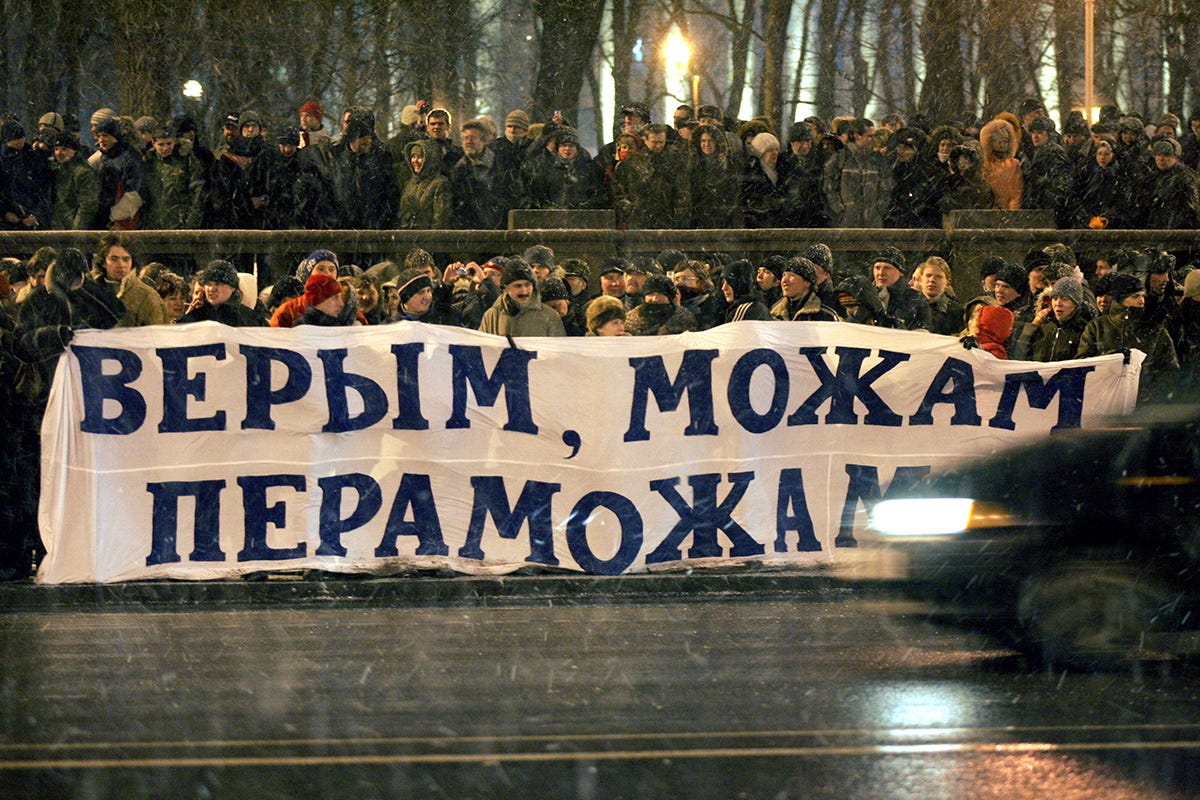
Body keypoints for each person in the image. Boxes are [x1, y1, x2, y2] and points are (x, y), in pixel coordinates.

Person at [1077, 272, 1179, 401]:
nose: (1142, 300)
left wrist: (1150, 397)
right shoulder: (1096, 327)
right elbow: (1082, 365)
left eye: (1143, 296)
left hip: (1144, 405)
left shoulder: (1155, 331)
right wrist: (1111, 360)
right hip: (1103, 402)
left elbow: (1170, 371)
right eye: (1135, 296)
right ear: (1120, 299)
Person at [822, 117, 892, 227]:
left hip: (871, 223)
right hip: (847, 223)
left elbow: (886, 188)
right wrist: (840, 211)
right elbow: (829, 188)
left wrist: (879, 210)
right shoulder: (840, 158)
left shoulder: (877, 159)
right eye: (869, 136)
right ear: (857, 136)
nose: (873, 140)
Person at [478, 259, 566, 336]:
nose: (524, 290)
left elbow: (557, 347)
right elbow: (482, 345)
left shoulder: (550, 316)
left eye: (527, 285)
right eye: (518, 286)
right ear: (505, 288)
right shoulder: (491, 316)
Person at [177, 260, 266, 326]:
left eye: (218, 284)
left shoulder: (251, 319)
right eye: (208, 284)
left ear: (232, 288)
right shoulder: (193, 318)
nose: (211, 289)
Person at [1024, 277, 1093, 362]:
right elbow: (1024, 355)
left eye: (1065, 299)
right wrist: (1033, 326)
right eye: (1055, 298)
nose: (1058, 303)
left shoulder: (1085, 331)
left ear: (1076, 303)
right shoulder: (1044, 329)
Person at [50, 132, 99, 230]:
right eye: (56, 149)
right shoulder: (57, 171)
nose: (59, 153)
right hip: (59, 227)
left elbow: (87, 206)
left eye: (64, 149)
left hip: (72, 229)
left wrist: (76, 231)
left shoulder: (84, 173)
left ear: (74, 150)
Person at [769, 257, 840, 322]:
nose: (784, 280)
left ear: (807, 282)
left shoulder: (826, 316)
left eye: (792, 275)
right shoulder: (773, 314)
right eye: (784, 275)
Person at [625, 274, 696, 335]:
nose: (655, 299)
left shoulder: (683, 319)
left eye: (660, 294)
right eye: (651, 294)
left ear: (669, 298)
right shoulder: (631, 321)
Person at [979, 118, 1023, 210]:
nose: (1001, 144)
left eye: (1005, 141)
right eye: (997, 141)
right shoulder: (985, 164)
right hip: (989, 211)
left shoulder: (1014, 164)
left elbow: (1017, 190)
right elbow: (983, 190)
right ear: (989, 142)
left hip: (1010, 210)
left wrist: (1013, 210)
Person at [915, 256, 964, 335]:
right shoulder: (907, 306)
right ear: (920, 280)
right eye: (928, 275)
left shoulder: (957, 312)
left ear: (947, 283)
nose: (932, 280)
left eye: (938, 277)